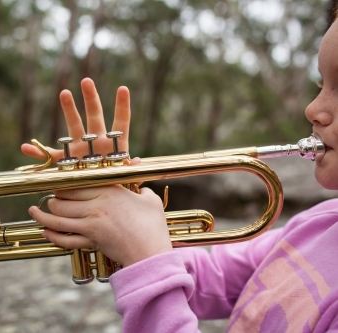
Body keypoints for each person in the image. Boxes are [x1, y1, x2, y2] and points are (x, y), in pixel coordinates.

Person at [22, 18, 338, 333]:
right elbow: (215, 278)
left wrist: (144, 259)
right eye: (321, 85)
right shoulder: (321, 221)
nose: (313, 108)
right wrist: (126, 228)